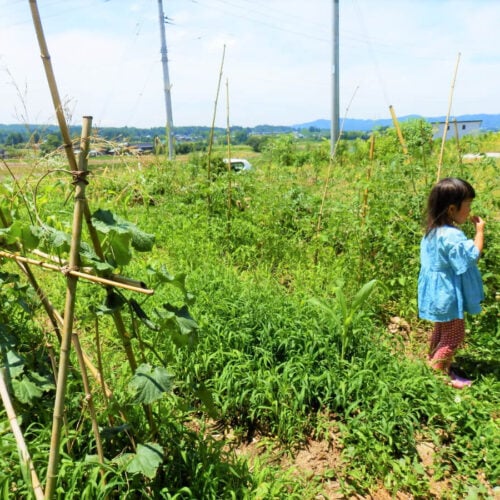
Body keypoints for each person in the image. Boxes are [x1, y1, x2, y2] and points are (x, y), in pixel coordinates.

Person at [418, 178, 485, 389]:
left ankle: (435, 361)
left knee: (441, 329)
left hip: (436, 293)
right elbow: (471, 257)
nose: (470, 210)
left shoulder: (432, 231)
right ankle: (437, 374)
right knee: (455, 334)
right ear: (452, 209)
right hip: (448, 295)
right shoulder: (452, 235)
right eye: (468, 206)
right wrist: (480, 232)